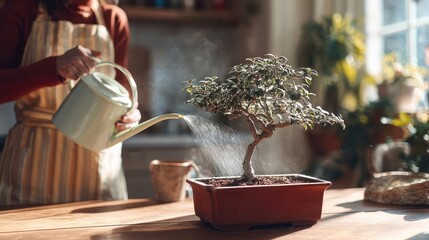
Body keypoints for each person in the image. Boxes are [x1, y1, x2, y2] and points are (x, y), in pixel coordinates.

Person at [0, 0, 141, 205]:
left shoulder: (113, 19)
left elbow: (124, 96)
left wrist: (130, 115)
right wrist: (53, 68)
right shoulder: (23, 9)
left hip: (99, 178)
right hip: (32, 170)